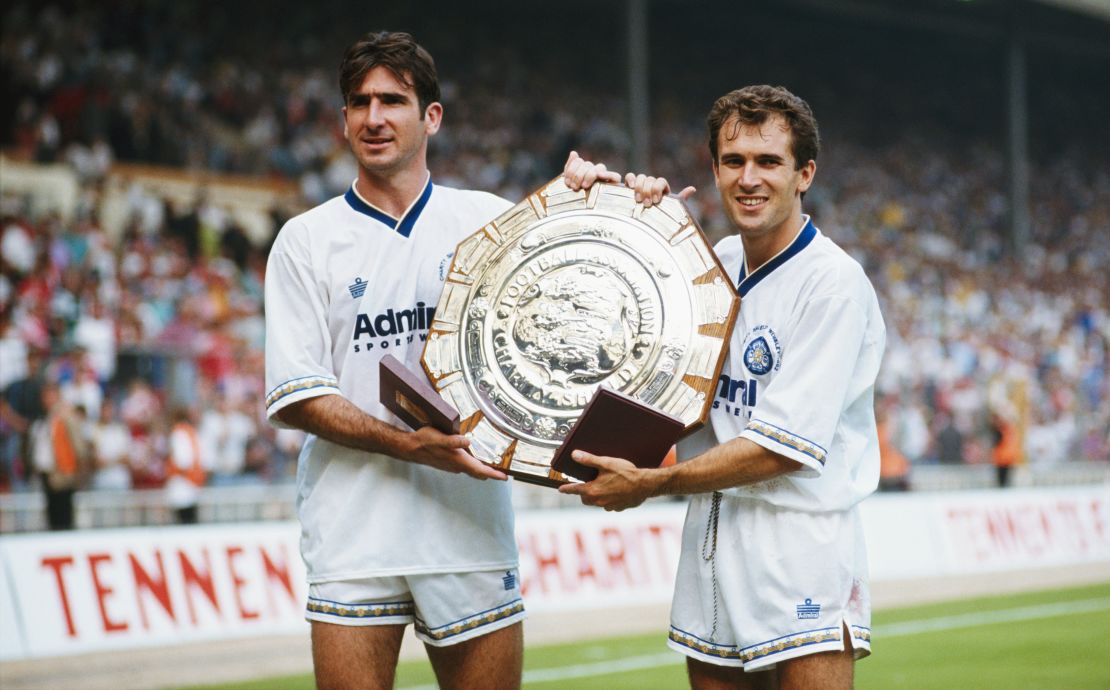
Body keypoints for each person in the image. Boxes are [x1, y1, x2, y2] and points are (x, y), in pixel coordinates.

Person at [560, 85, 886, 689]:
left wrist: (657, 483)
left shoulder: (833, 285)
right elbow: (636, 364)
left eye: (768, 161)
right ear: (713, 170)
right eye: (733, 162)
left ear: (804, 174)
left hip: (799, 545)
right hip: (711, 538)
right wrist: (620, 217)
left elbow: (780, 447)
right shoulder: (717, 259)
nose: (749, 178)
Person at [264, 31, 526, 690]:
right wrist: (407, 445)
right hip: (353, 530)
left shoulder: (489, 223)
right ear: (343, 119)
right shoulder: (306, 240)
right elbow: (297, 394)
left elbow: (550, 346)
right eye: (359, 102)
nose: (374, 118)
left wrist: (599, 199)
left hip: (467, 524)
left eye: (393, 100)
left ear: (431, 116)